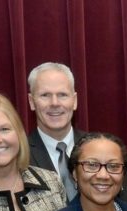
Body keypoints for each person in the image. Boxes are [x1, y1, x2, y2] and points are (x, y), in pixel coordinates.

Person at [27, 62, 85, 200]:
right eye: (45, 95)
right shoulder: (18, 155)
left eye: (62, 95)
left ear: (75, 101)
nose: (54, 103)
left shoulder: (97, 147)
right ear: (31, 102)